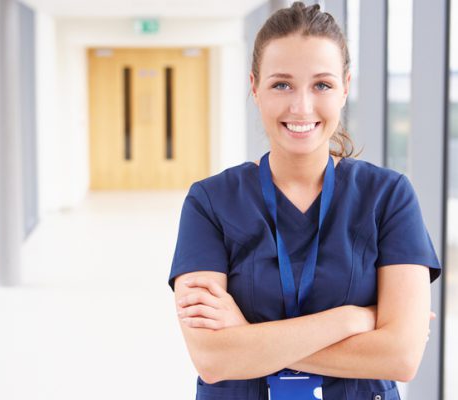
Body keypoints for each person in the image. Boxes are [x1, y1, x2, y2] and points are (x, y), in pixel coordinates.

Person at [168, 2, 441, 399]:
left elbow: (400, 356)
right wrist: (353, 319)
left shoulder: (388, 197)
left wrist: (249, 341)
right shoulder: (209, 202)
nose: (301, 107)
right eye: (282, 84)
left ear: (345, 87)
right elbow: (214, 359)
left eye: (322, 85)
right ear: (254, 87)